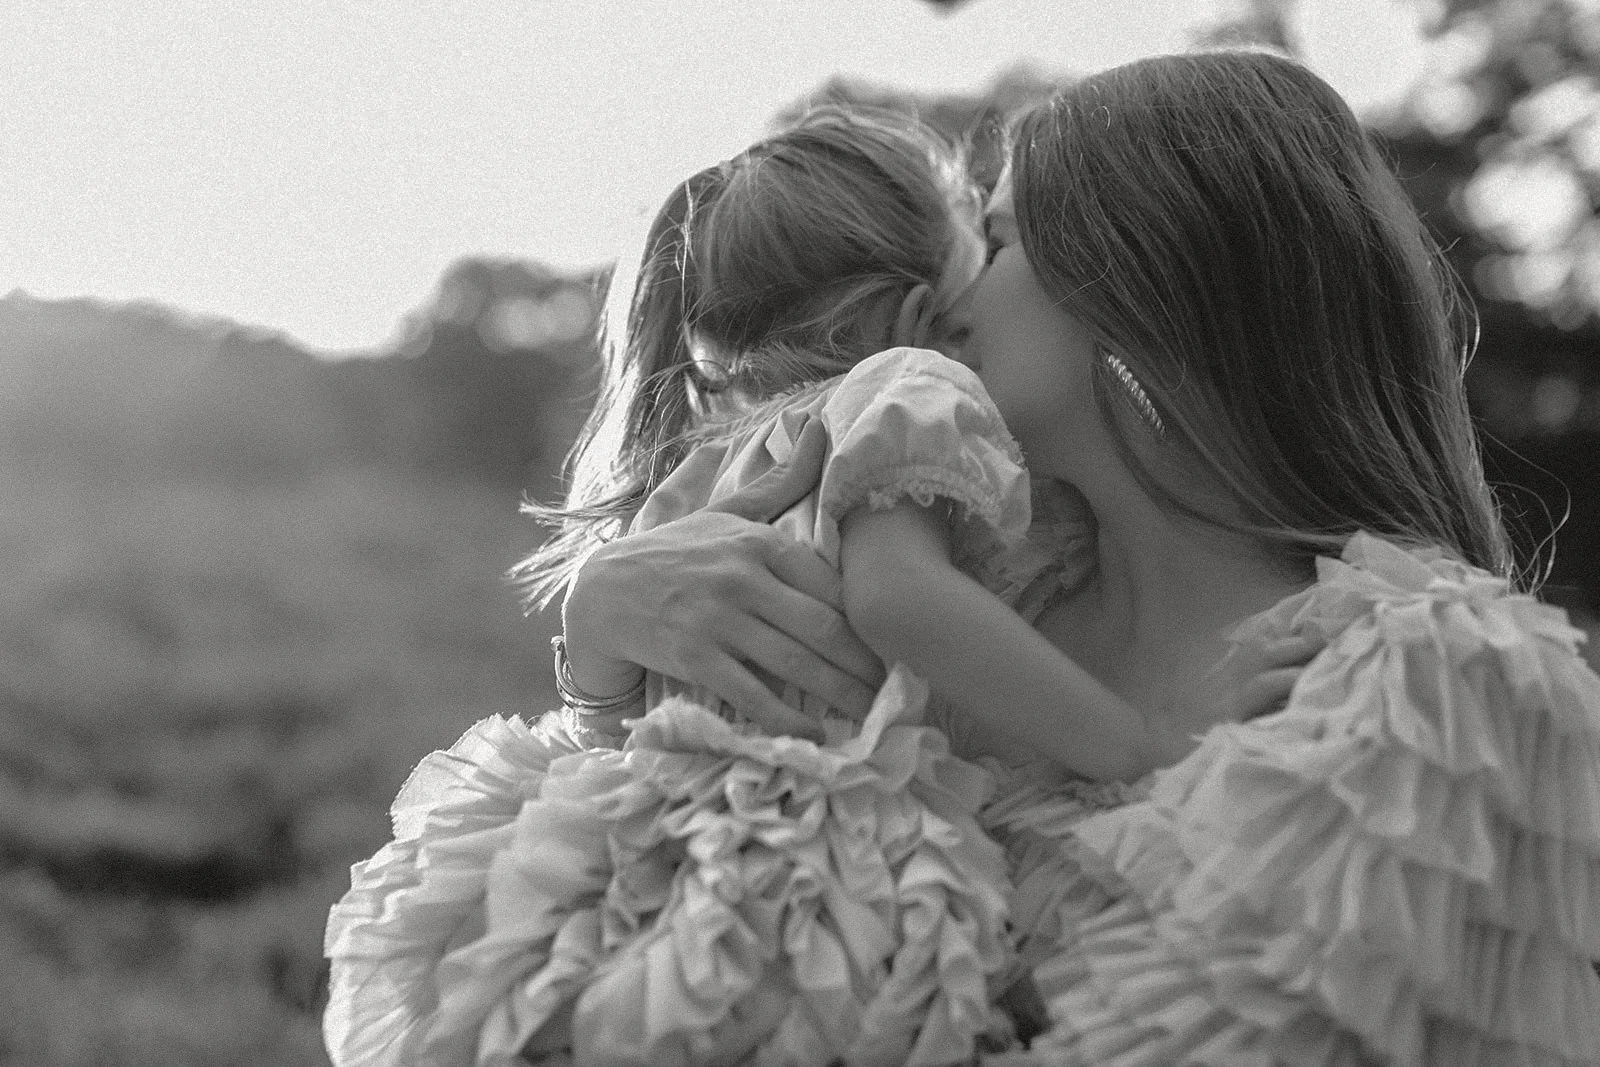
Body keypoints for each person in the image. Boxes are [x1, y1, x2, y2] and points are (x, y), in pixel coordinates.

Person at [550, 51, 1600, 1064]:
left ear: (1142, 284)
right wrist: (599, 639)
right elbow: (672, 896)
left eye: (997, 242)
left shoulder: (1440, 681)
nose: (948, 294)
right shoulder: (993, 620)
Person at [323, 105, 1303, 1066]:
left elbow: (647, 720)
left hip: (655, 876)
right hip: (834, 878)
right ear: (925, 310)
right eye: (984, 262)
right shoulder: (908, 385)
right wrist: (1135, 743)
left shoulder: (694, 473)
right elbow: (896, 601)